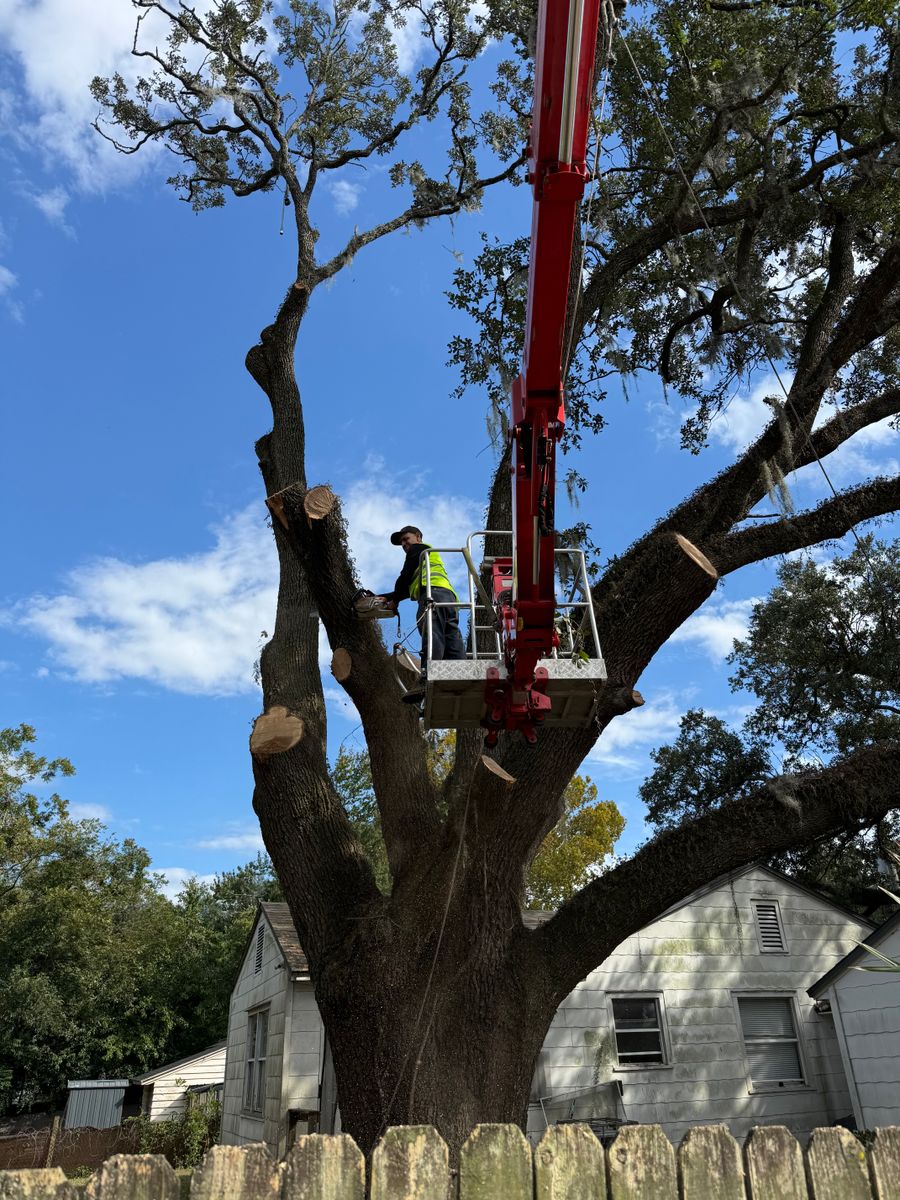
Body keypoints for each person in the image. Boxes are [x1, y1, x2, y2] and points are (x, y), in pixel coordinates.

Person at [378, 525, 466, 705]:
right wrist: (386, 597)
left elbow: (404, 577)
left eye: (406, 539)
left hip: (432, 595)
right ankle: (461, 672)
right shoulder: (425, 557)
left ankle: (426, 676)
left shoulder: (419, 549)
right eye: (401, 542)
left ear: (418, 537)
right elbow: (406, 586)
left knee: (432, 632)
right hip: (447, 596)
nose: (404, 544)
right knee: (450, 635)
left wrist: (394, 602)